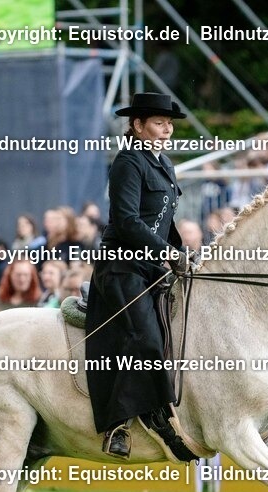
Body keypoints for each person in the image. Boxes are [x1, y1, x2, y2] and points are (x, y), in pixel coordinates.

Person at [85, 92, 195, 459]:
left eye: (169, 124)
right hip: (121, 266)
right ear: (137, 125)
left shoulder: (164, 165)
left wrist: (185, 254)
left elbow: (165, 221)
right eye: (159, 124)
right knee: (145, 338)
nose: (167, 131)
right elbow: (128, 221)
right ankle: (119, 424)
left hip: (151, 267)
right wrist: (168, 253)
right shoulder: (127, 163)